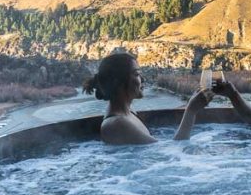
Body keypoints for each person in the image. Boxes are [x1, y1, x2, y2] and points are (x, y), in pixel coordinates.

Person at [83, 52, 211, 145]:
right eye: (137, 74)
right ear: (119, 82)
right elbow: (170, 153)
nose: (143, 79)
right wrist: (191, 111)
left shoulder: (128, 113)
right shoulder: (116, 124)